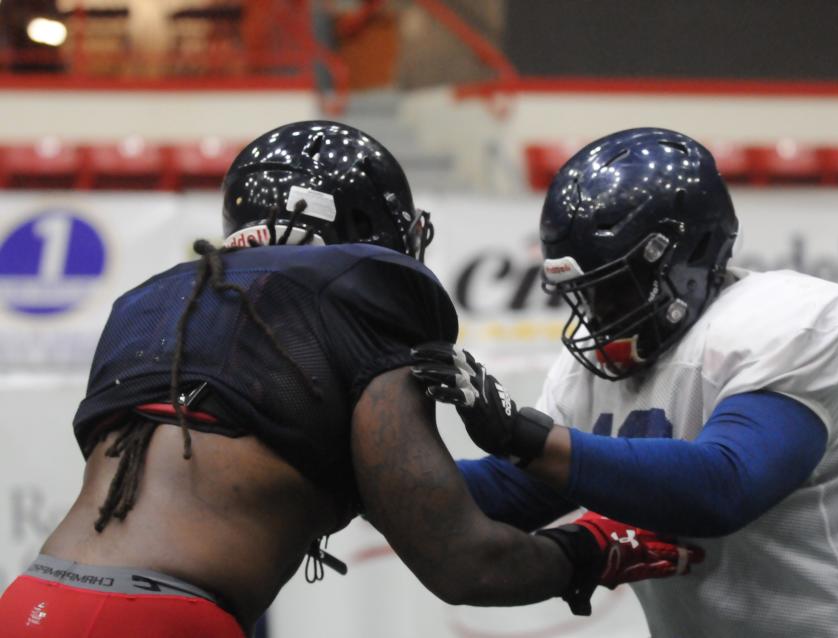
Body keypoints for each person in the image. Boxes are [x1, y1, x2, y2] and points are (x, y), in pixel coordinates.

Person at [0, 121, 703, 638]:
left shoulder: (160, 299)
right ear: (379, 231)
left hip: (30, 601)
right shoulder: (358, 299)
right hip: (159, 619)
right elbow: (466, 564)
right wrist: (598, 550)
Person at [412, 127, 838, 637]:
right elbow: (511, 492)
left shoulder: (800, 318)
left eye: (615, 288)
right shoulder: (586, 371)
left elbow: (725, 487)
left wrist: (521, 435)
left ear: (689, 258)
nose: (596, 317)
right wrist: (367, 462)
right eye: (584, 296)